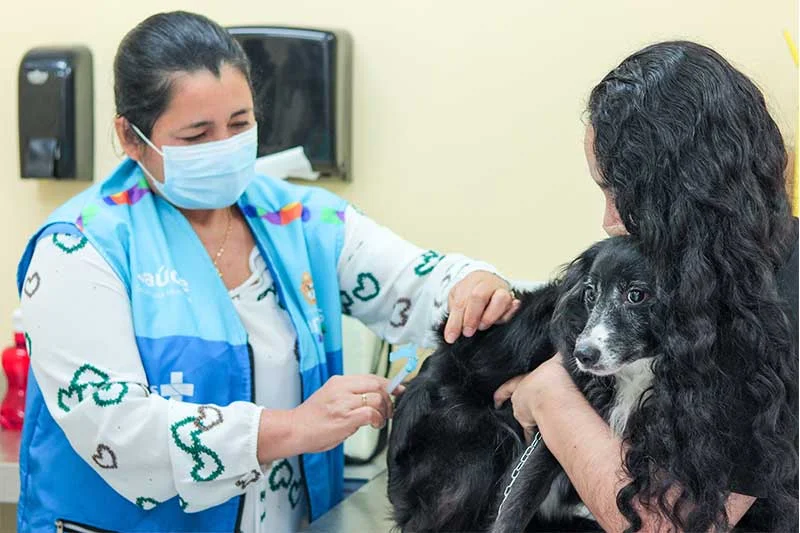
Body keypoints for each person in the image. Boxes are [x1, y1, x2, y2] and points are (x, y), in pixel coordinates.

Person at [16, 11, 519, 533]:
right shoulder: (81, 248)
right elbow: (116, 429)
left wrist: (473, 285)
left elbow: (420, 281)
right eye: (195, 135)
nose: (224, 147)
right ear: (132, 136)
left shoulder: (299, 221)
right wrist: (293, 428)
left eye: (239, 124)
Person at [495, 41, 798, 532]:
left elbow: (669, 527)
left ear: (684, 189)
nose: (610, 220)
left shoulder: (776, 313)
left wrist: (550, 394)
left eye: (622, 192)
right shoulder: (738, 268)